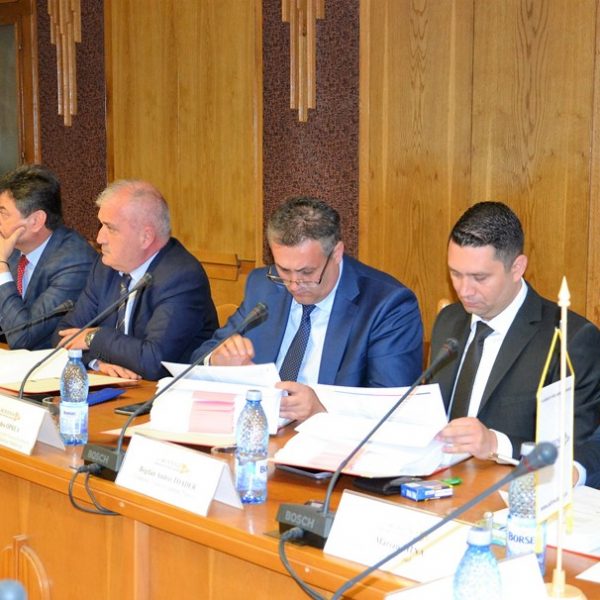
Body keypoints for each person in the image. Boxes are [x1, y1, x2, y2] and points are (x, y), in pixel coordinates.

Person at [192, 196, 424, 421]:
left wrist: (323, 409)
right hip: (262, 428)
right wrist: (216, 360)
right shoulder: (263, 285)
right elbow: (198, 358)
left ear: (336, 253)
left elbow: (393, 407)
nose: (294, 285)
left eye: (307, 272)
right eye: (284, 270)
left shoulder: (387, 304)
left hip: (332, 440)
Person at [431, 201, 600, 465]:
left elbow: (577, 450)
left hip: (512, 485)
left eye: (479, 277)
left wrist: (497, 444)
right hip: (436, 481)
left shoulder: (569, 340)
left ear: (517, 268)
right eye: (455, 274)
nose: (464, 290)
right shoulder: (448, 320)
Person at [53, 180, 218, 381]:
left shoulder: (181, 277)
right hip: (119, 386)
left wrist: (95, 337)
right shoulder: (106, 267)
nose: (99, 238)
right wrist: (97, 363)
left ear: (145, 237)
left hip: (167, 391)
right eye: (101, 225)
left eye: (110, 228)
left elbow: (154, 361)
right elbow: (63, 334)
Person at [0, 164, 96, 349]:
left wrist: (1, 268)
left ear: (36, 221)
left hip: (52, 363)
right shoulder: (12, 250)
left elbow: (23, 337)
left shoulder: (74, 262)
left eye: (3, 213)